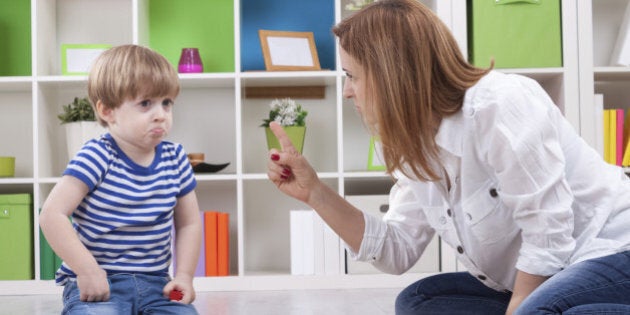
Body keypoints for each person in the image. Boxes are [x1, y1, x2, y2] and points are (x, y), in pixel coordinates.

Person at [266, 1, 630, 314]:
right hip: (554, 273)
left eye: (351, 76)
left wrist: (526, 306)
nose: (347, 92)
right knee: (420, 300)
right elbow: (397, 250)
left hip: (611, 250)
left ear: (391, 75)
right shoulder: (414, 143)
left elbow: (548, 235)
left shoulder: (499, 104)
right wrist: (314, 191)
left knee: (540, 307)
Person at [39, 44, 201, 314]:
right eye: (146, 103)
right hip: (100, 282)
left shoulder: (176, 159)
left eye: (166, 103)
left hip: (157, 283)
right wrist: (87, 270)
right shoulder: (96, 156)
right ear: (107, 111)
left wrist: (184, 276)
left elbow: (189, 223)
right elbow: (51, 215)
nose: (160, 114)